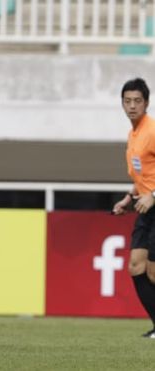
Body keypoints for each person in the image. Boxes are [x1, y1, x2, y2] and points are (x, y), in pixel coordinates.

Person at [111, 78, 155, 338]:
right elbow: (143, 177)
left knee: (152, 271)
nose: (132, 106)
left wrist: (153, 195)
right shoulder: (133, 134)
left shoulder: (152, 131)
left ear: (146, 103)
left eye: (137, 101)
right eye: (127, 101)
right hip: (144, 207)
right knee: (136, 267)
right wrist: (128, 198)